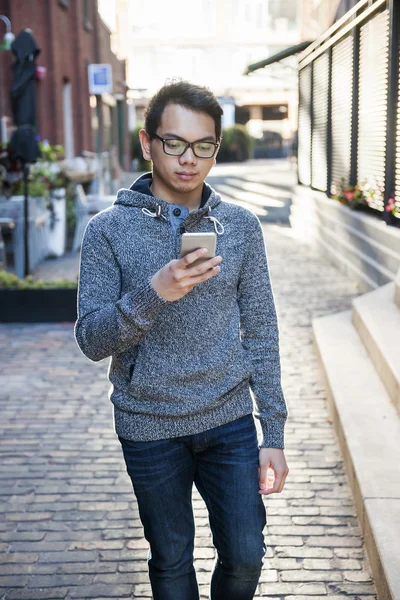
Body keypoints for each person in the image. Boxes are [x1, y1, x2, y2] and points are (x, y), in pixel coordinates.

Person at [74, 79, 289, 600]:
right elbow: (91, 338)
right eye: (174, 143)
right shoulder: (107, 230)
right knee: (171, 561)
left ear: (216, 147)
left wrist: (274, 434)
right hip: (148, 425)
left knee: (245, 554)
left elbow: (261, 330)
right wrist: (155, 293)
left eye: (203, 146)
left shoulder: (239, 225)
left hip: (229, 419)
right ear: (147, 144)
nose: (188, 159)